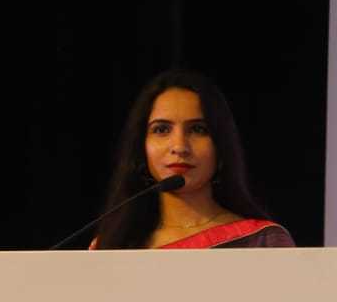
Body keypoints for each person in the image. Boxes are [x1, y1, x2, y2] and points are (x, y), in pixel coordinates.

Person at [92, 69, 294, 249]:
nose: (180, 147)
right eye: (161, 129)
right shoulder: (112, 247)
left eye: (198, 129)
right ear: (141, 147)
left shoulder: (262, 242)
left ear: (221, 146)